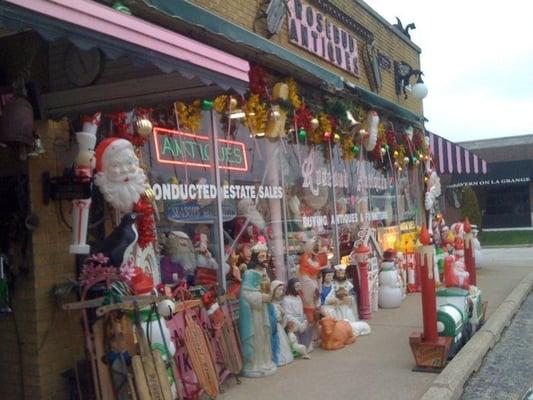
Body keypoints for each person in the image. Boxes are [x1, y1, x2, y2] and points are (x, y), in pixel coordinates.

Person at [94, 137, 148, 214]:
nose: (125, 170)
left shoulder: (145, 194)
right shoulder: (95, 199)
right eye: (116, 165)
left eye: (129, 163)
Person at [239, 268, 277, 377]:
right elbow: (267, 298)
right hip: (254, 324)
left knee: (263, 340)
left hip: (259, 321)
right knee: (258, 342)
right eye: (256, 279)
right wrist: (271, 289)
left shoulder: (254, 291)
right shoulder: (248, 293)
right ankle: (257, 364)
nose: (258, 281)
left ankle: (264, 362)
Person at [282, 278, 314, 352]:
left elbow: (301, 311)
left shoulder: (298, 297)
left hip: (300, 320)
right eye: (296, 286)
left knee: (308, 327)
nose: (299, 288)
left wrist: (304, 320)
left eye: (299, 286)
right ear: (291, 287)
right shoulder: (286, 300)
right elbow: (288, 316)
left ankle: (306, 346)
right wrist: (299, 324)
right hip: (292, 322)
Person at [270, 280, 294, 367]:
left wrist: (283, 315)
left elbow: (282, 318)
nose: (281, 292)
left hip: (279, 327)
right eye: (279, 290)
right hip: (274, 328)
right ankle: (278, 359)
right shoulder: (270, 305)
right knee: (277, 343)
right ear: (273, 290)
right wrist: (279, 317)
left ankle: (283, 357)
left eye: (282, 290)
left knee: (282, 343)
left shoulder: (278, 304)